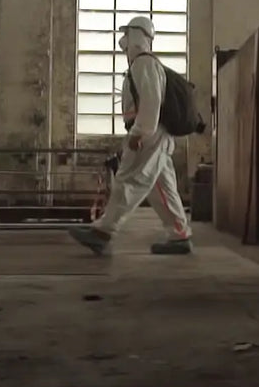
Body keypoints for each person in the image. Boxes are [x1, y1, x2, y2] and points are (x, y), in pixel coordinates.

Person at [69, 16, 193, 256]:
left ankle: (103, 232)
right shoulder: (143, 65)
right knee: (162, 190)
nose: (123, 40)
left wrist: (139, 133)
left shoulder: (144, 64)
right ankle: (179, 236)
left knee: (128, 180)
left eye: (127, 34)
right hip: (157, 134)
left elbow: (151, 101)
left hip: (149, 132)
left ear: (138, 35)